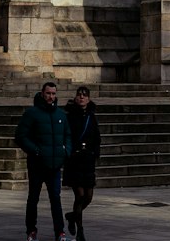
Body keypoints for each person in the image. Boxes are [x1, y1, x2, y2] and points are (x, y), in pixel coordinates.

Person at [15, 78, 71, 241]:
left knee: (56, 199)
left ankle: (60, 232)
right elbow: (20, 136)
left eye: (53, 94)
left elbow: (67, 135)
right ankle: (31, 230)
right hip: (37, 164)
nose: (51, 97)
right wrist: (35, 150)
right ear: (42, 94)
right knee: (33, 198)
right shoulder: (32, 113)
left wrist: (65, 151)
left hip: (54, 165)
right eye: (48, 93)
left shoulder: (61, 115)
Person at [64, 83, 101, 237]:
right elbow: (66, 136)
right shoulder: (69, 115)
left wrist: (94, 153)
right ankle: (80, 230)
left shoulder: (92, 116)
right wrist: (69, 153)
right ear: (75, 97)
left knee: (88, 196)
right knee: (79, 195)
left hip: (88, 160)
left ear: (88, 99)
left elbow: (97, 137)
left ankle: (72, 216)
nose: (81, 97)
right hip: (74, 160)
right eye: (79, 94)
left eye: (84, 95)